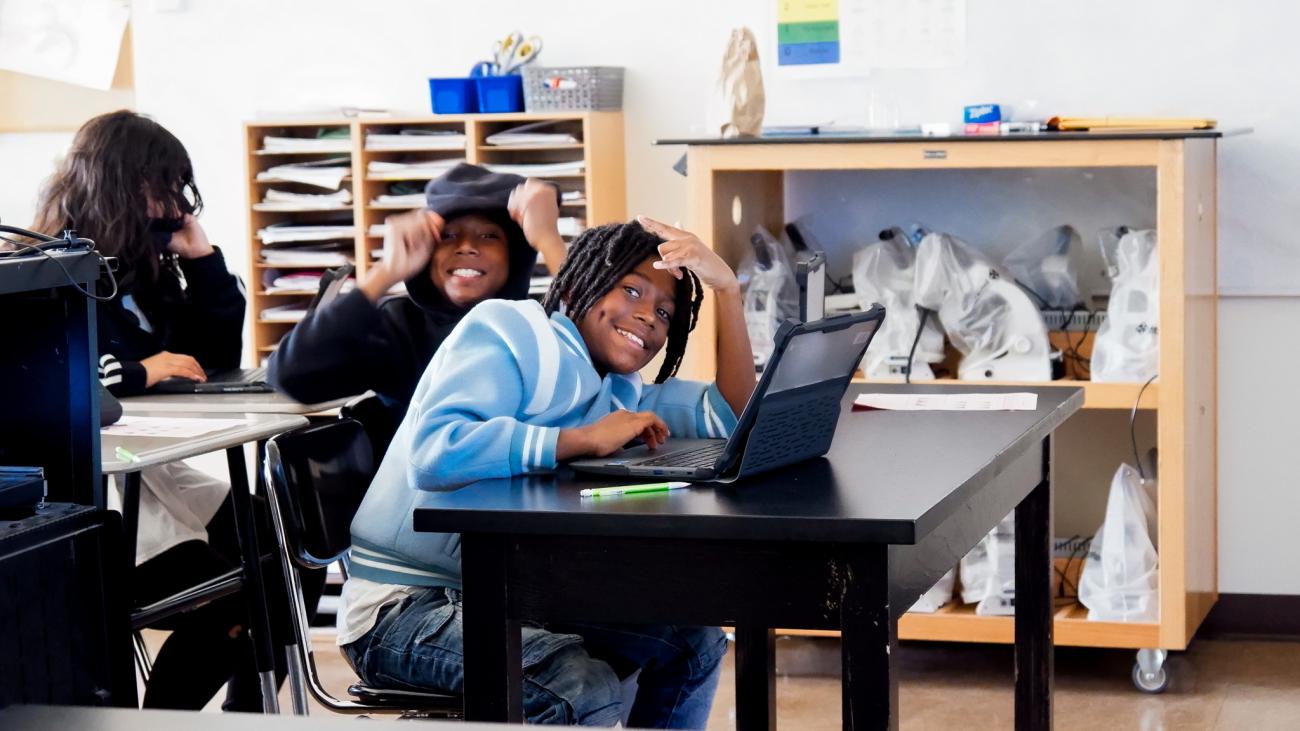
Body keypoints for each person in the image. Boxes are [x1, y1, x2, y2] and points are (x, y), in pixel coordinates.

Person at [338, 217, 756, 727]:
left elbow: (733, 415)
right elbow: (435, 452)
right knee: (580, 688)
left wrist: (728, 289)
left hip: (507, 593)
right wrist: (578, 440)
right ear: (579, 285)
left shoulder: (617, 388)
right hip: (400, 608)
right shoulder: (508, 329)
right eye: (631, 290)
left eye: (665, 312)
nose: (648, 315)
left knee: (695, 643)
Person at [31, 110, 283, 711]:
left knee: (277, 538)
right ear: (122, 184)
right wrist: (145, 370)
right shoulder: (52, 265)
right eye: (162, 185)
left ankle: (251, 713)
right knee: (230, 589)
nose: (174, 203)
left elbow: (212, 361)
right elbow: (59, 381)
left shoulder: (143, 265)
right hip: (94, 490)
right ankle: (162, 721)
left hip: (155, 470)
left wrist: (203, 260)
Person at [267, 163, 566, 447]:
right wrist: (385, 271)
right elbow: (292, 376)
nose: (466, 246)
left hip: (533, 494)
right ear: (427, 254)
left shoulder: (538, 323)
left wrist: (549, 240)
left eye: (489, 236)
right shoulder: (401, 328)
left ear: (515, 257)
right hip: (423, 498)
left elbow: (598, 337)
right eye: (448, 236)